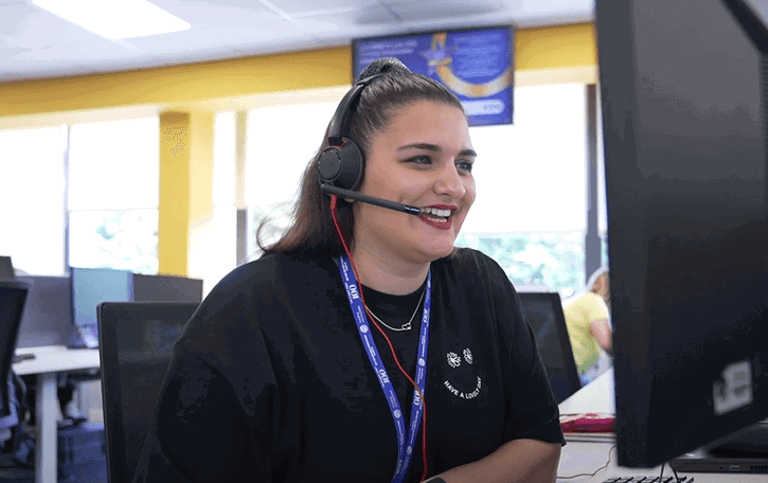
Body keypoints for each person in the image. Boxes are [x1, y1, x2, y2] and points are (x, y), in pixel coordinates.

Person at [133, 57, 564, 483]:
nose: (454, 186)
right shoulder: (251, 309)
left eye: (464, 165)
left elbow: (540, 444)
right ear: (346, 175)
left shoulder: (481, 286)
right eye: (421, 160)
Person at [563, 267, 612, 385]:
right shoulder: (594, 301)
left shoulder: (583, 299)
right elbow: (607, 343)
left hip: (566, 372)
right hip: (575, 374)